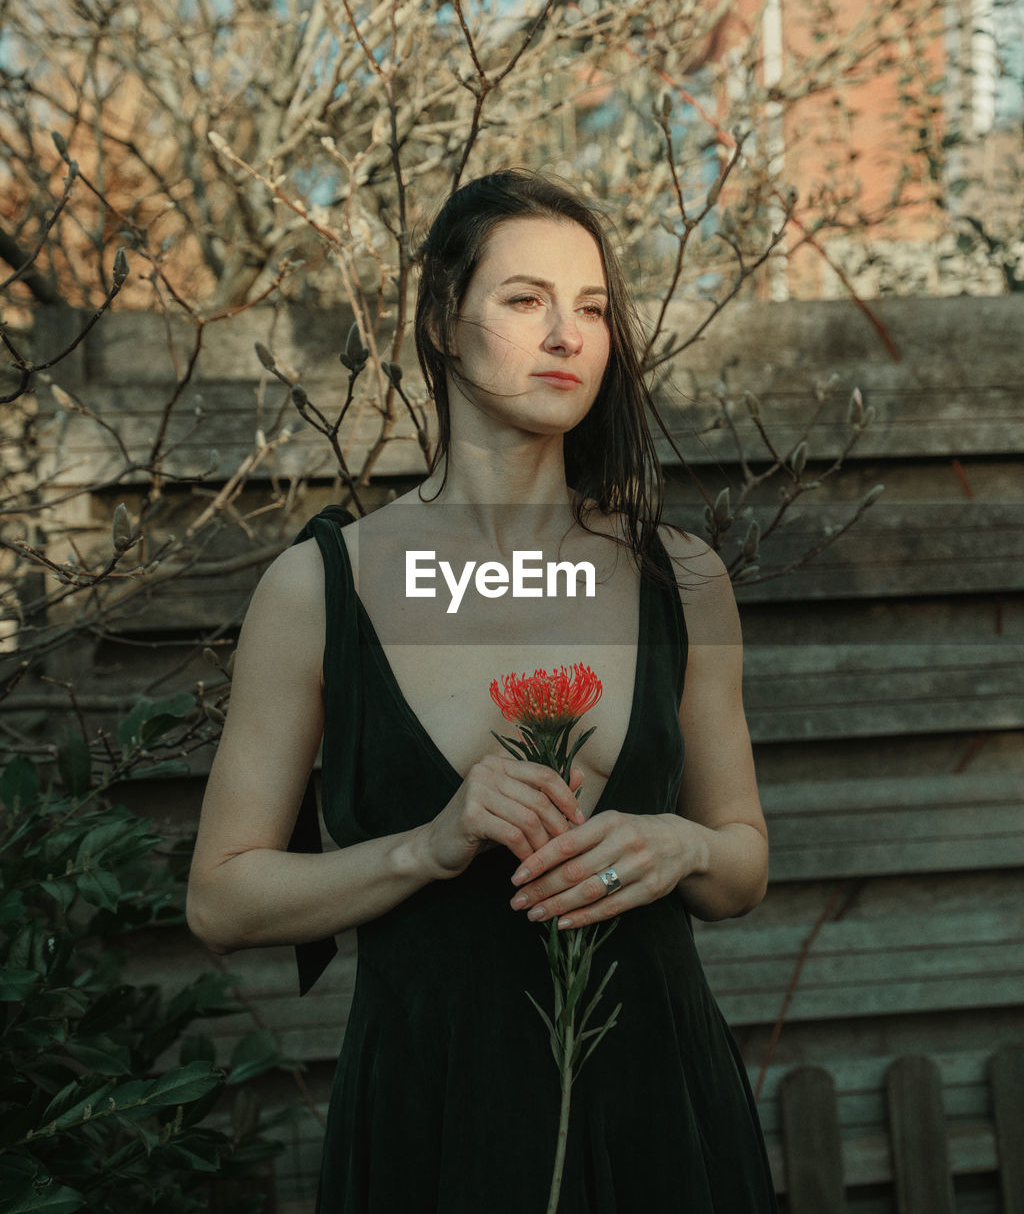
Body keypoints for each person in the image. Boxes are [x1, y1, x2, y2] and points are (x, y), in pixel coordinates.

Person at [187, 170, 778, 1211]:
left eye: (591, 308)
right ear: (441, 324)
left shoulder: (678, 576)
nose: (567, 334)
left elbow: (740, 865)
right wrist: (424, 845)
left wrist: (679, 843)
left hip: (656, 1109)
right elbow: (221, 897)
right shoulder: (322, 588)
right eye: (524, 299)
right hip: (435, 1111)